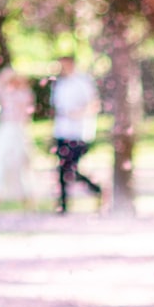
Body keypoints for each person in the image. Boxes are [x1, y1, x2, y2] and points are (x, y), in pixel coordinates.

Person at [49, 54, 104, 213]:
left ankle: (95, 189)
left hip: (79, 131)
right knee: (62, 168)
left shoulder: (83, 82)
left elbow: (94, 104)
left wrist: (78, 113)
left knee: (70, 168)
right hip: (62, 130)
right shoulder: (59, 84)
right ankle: (63, 204)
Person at [0, 66, 31, 207]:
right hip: (6, 129)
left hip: (17, 130)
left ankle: (24, 195)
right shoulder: (7, 93)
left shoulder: (22, 94)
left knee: (19, 163)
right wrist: (3, 77)